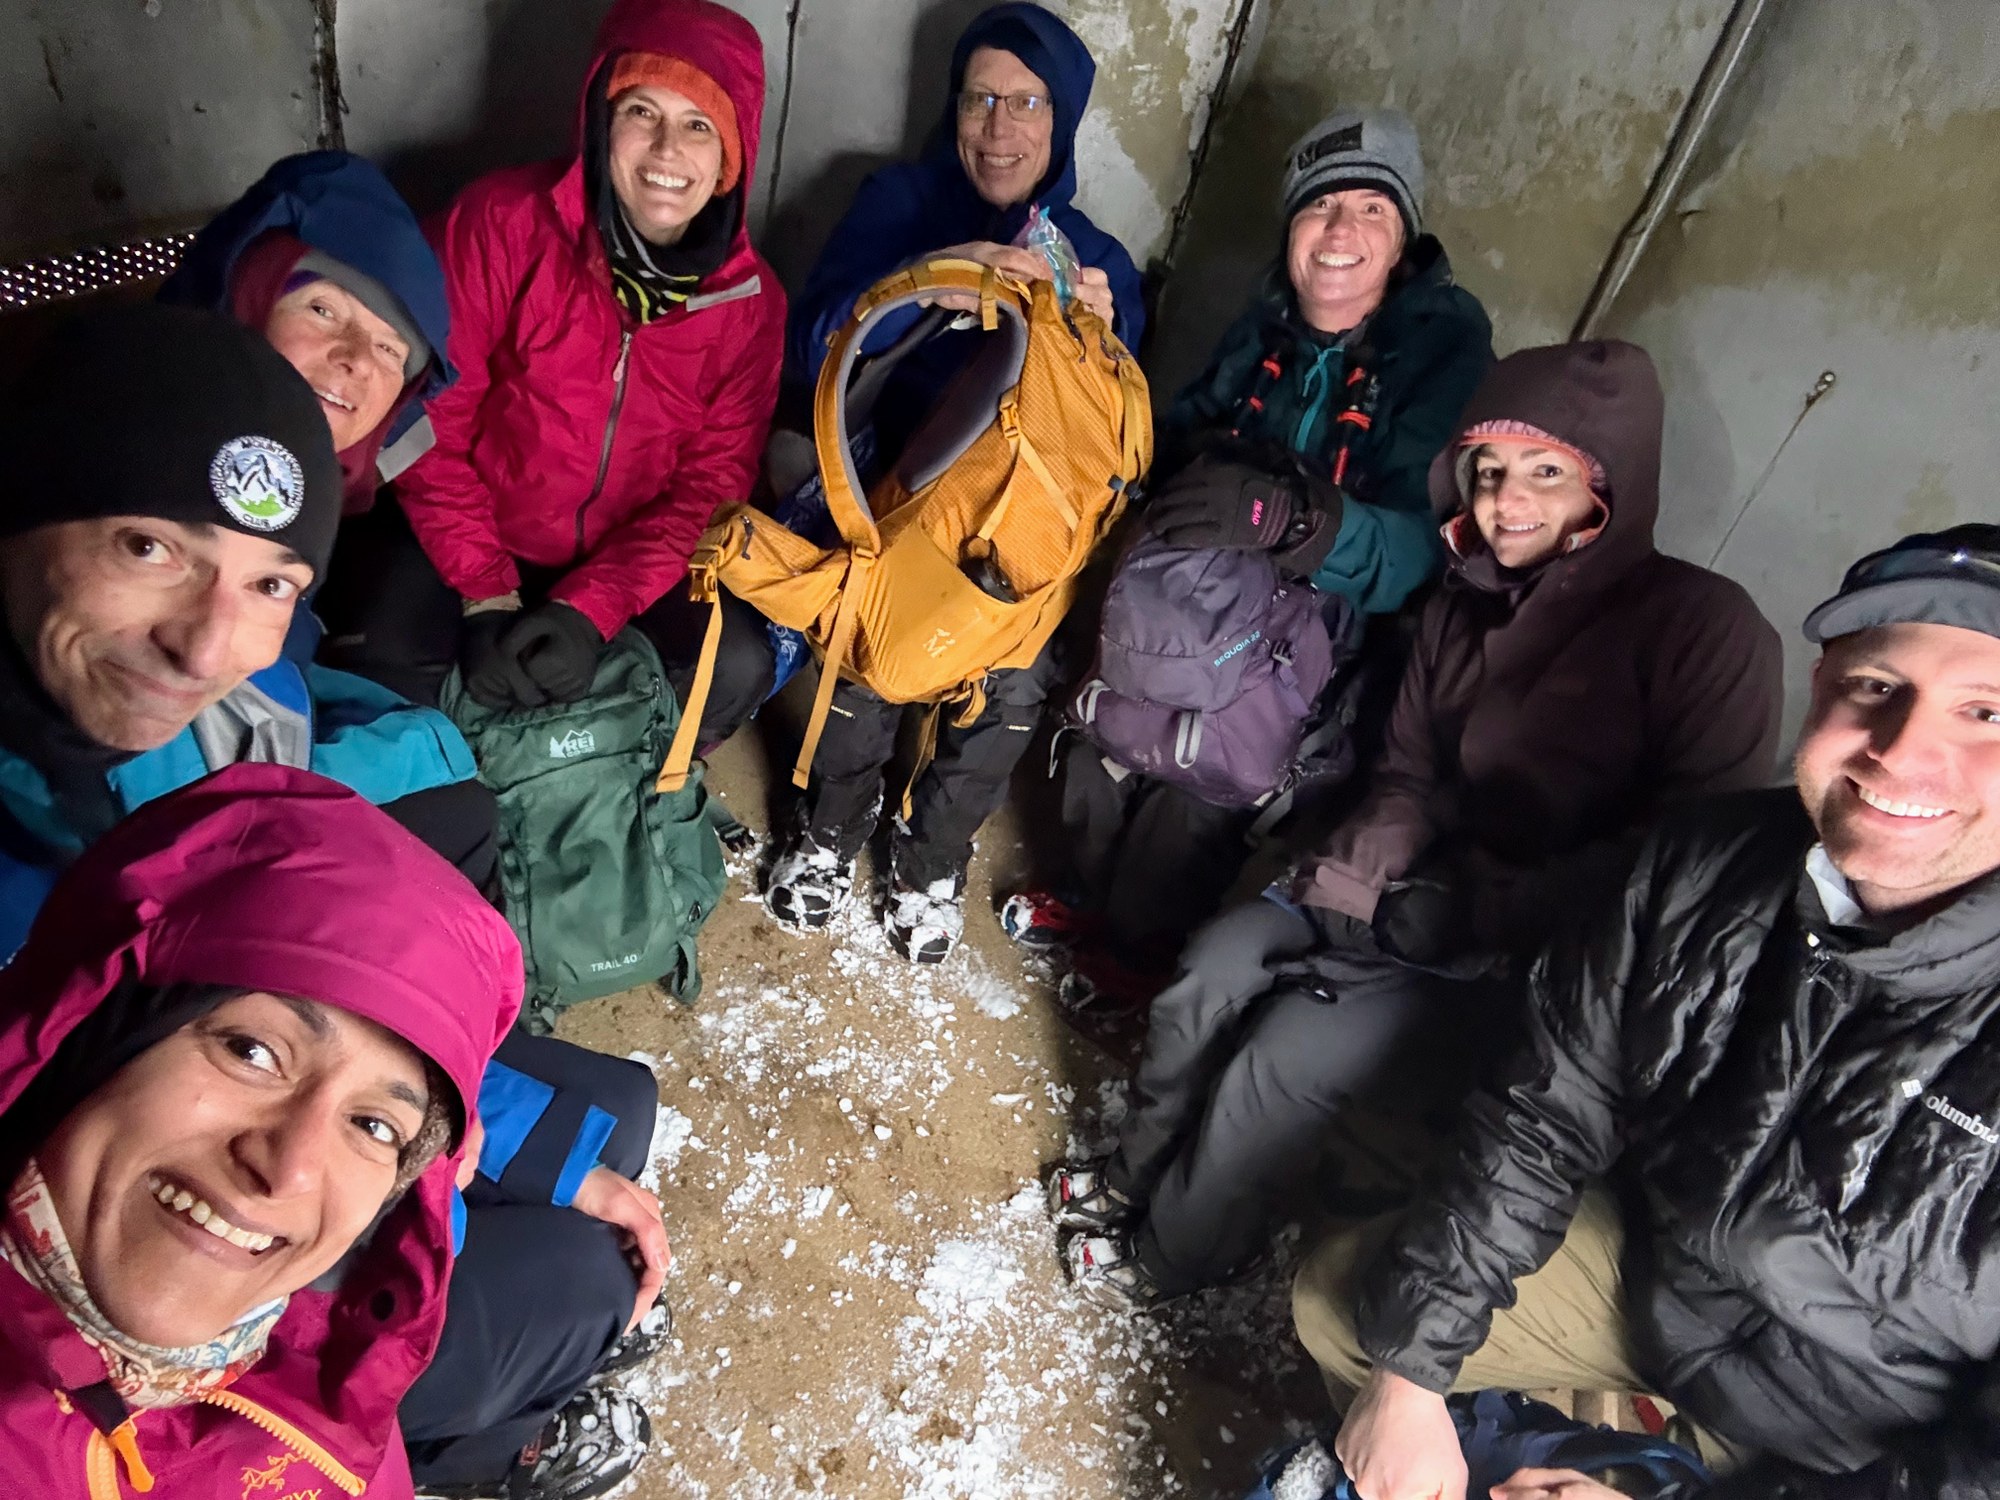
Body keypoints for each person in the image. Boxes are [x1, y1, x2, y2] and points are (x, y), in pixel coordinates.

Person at [0, 306, 670, 1499]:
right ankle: (491, 1448)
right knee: (583, 1284)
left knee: (617, 1109)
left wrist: (505, 1144)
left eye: (269, 581)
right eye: (147, 546)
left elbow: (287, 999)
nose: (207, 645)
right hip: (142, 1277)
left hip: (202, 1172)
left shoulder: (186, 729)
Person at [1050, 341, 1784, 1310]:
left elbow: (1679, 868)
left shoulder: (1705, 631)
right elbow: (1405, 771)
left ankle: (1178, 1248)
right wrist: (1357, 873)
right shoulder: (1461, 603)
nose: (1505, 501)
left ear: (1611, 484)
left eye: (1546, 473)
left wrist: (1474, 912)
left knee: (1285, 1059)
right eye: (1487, 471)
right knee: (1210, 972)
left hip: (1533, 953)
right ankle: (1137, 1171)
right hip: (1404, 886)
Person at [1296, 523, 2000, 1500]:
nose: (1898, 753)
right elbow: (1543, 1112)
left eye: (1983, 712)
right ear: (1819, 688)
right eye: (1875, 686)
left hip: (1857, 1447)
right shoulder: (1701, 864)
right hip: (1666, 1291)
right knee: (1347, 1309)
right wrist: (1410, 1375)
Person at [1003, 105, 1496, 1003]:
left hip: (1321, 627)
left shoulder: (1441, 353)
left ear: (1403, 242)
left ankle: (1140, 946)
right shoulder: (1264, 326)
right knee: (1108, 705)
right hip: (1206, 581)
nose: (1340, 232)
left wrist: (1293, 520)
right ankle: (1081, 892)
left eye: (1371, 210)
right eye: (1320, 208)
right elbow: (1176, 432)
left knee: (1204, 769)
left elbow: (1417, 556)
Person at [0, 764, 521, 1499]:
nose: (290, 1168)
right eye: (252, 1052)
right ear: (92, 1042)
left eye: (373, 1125)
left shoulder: (325, 1395)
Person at [753, 1, 1147, 965]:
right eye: (978, 99)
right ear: (952, 107)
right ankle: (831, 828)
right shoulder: (898, 203)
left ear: (1063, 121)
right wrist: (934, 276)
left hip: (1013, 509)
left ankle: (929, 859)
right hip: (894, 476)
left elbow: (1111, 440)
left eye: (1027, 102)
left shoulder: (1096, 260)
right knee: (870, 626)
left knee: (1019, 664)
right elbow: (810, 346)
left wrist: (1098, 337)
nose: (999, 128)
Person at [375, 0, 784, 717]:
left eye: (699, 125)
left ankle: (624, 779)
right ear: (601, 121)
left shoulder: (749, 303)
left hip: (622, 560)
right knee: (385, 663)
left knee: (734, 663)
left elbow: (710, 485)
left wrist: (590, 611)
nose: (667, 150)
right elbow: (424, 419)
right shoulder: (500, 224)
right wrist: (486, 591)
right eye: (641, 112)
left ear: (731, 156)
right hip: (476, 534)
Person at [156, 148, 462, 700]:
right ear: (247, 301)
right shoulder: (136, 458)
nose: (356, 359)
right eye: (323, 310)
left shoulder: (307, 496)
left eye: (390, 349)